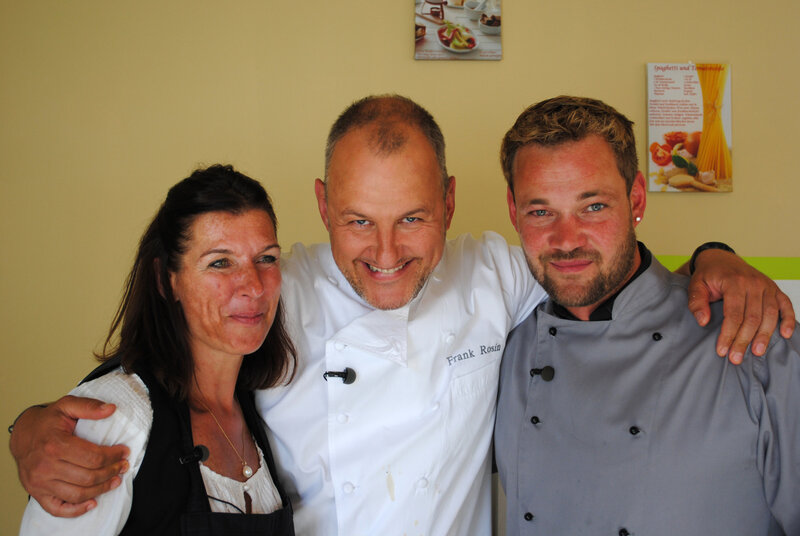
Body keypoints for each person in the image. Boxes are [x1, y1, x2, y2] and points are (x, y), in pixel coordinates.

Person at [9, 96, 796, 535]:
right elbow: (171, 359)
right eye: (358, 221)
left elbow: (602, 274)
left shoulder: (495, 273)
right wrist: (32, 425)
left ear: (450, 203)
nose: (385, 253)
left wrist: (715, 258)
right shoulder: (275, 291)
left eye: (414, 219)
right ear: (323, 206)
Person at [495, 96, 800, 535]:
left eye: (593, 206)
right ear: (513, 211)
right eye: (540, 211)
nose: (566, 240)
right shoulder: (505, 345)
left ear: (636, 198)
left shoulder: (754, 338)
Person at [18, 165, 296, 535]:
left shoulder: (259, 407)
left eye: (266, 258)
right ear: (166, 281)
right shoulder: (118, 415)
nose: (254, 286)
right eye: (220, 262)